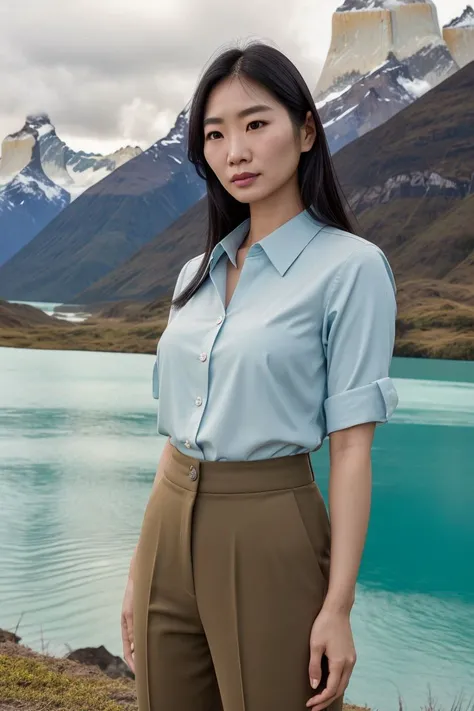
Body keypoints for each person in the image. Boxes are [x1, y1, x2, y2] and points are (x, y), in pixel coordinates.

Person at [121, 39, 399, 711]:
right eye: (215, 135)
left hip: (272, 526)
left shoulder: (352, 267)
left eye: (255, 124)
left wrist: (339, 605)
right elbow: (178, 433)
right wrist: (138, 570)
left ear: (305, 130)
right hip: (167, 523)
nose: (234, 152)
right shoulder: (194, 276)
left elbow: (353, 448)